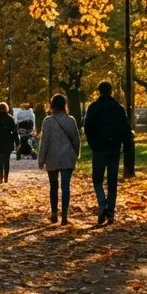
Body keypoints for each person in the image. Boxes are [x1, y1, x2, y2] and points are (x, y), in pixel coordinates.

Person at [84, 81, 133, 225]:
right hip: (114, 148)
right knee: (112, 181)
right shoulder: (119, 108)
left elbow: (87, 128)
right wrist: (126, 146)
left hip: (99, 149)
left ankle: (102, 203)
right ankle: (110, 212)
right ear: (111, 91)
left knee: (97, 180)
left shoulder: (93, 108)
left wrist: (93, 144)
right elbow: (125, 128)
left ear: (99, 91)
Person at [38, 94, 81, 224]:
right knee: (65, 187)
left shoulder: (48, 121)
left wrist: (41, 159)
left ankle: (54, 212)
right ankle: (65, 215)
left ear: (52, 105)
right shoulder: (71, 120)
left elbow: (44, 142)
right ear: (64, 105)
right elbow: (76, 140)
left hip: (52, 157)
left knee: (53, 186)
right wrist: (76, 155)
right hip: (67, 157)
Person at [0, 102, 17, 183]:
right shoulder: (10, 118)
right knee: (6, 160)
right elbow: (15, 131)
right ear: (6, 108)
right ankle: (6, 178)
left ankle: (0, 178)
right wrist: (17, 142)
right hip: (8, 141)